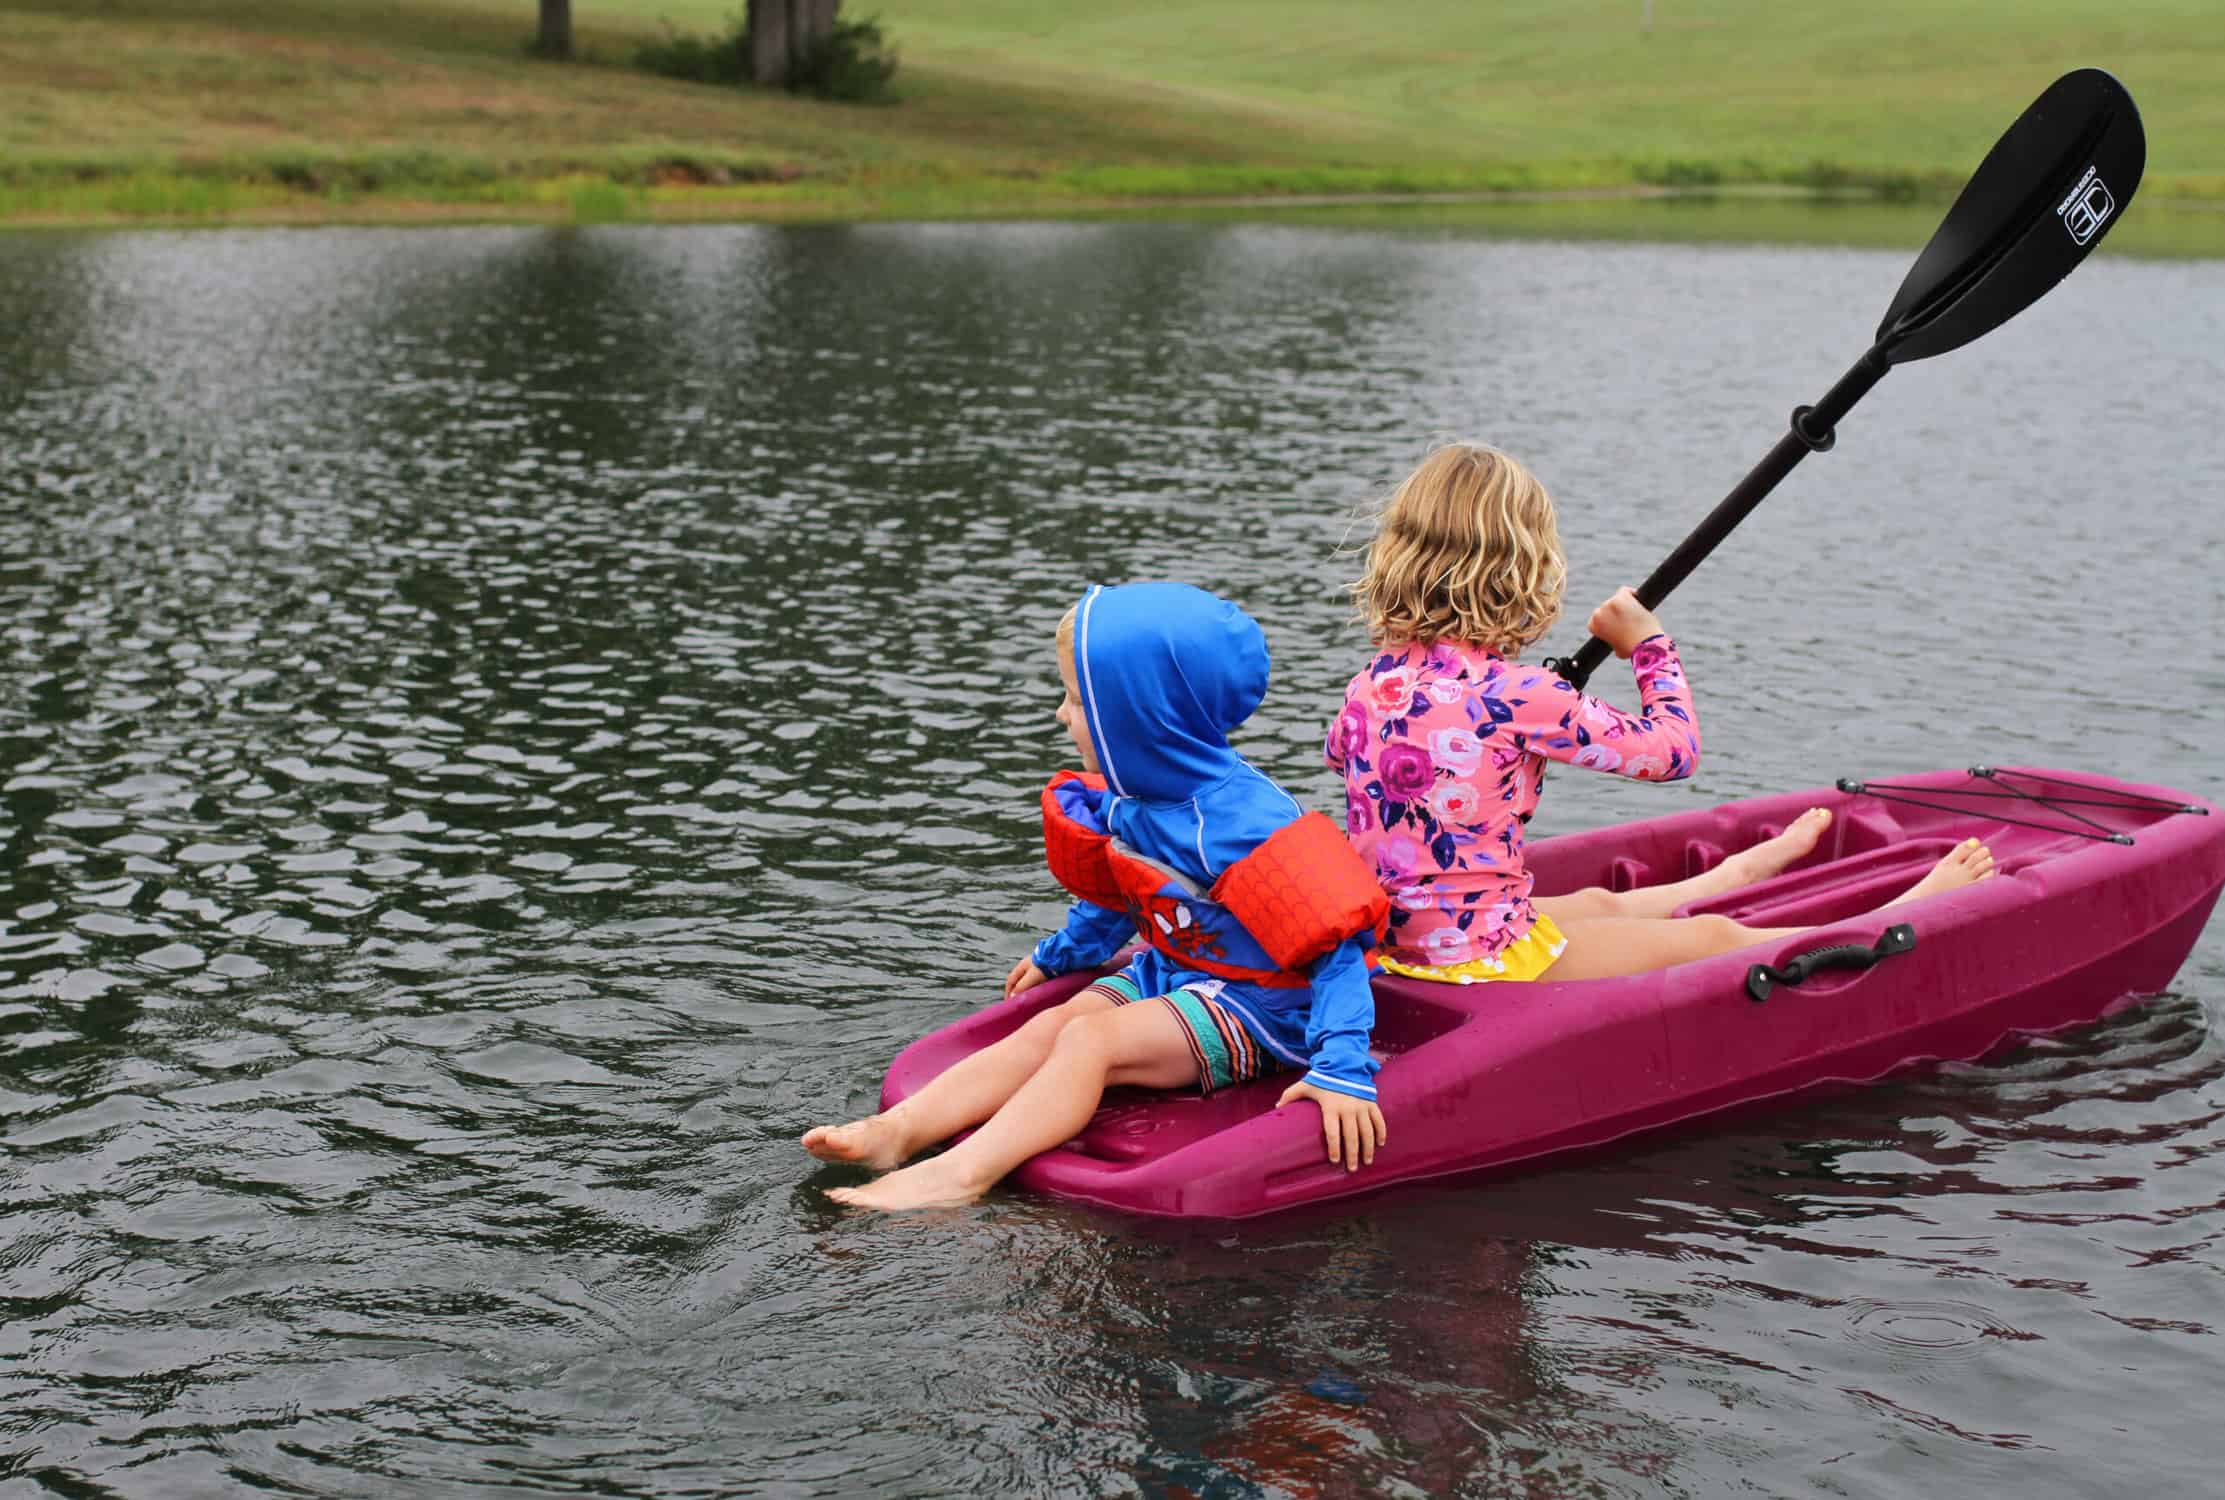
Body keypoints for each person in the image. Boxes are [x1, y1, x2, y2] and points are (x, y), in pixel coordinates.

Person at [806, 581, 1393, 1210]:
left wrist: (1342, 1071)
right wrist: (1062, 955)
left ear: (1140, 718)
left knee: (1092, 1043)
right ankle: (901, 1133)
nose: (1061, 714)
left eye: (1078, 700)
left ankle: (960, 1175)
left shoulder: (1249, 823)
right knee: (1056, 1023)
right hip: (1177, 970)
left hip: (1266, 1007)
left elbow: (1336, 951)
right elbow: (1127, 889)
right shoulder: (1135, 795)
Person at [1326, 442, 1993, 985]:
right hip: (1477, 956)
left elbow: (1346, 759)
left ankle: (1728, 875)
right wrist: (1647, 646)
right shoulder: (1520, 694)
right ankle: (1894, 918)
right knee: (1712, 936)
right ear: (1522, 568)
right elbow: (1675, 752)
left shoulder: (1369, 685)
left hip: (1399, 940)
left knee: (1593, 906)